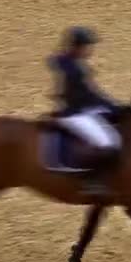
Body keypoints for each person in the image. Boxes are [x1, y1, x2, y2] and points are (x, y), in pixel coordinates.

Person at [47, 26, 123, 194]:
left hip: (79, 107)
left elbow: (91, 95)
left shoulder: (67, 62)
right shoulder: (76, 70)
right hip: (73, 113)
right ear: (77, 46)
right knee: (108, 143)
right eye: (87, 46)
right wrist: (115, 107)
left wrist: (113, 107)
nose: (90, 49)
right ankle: (93, 181)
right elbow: (92, 95)